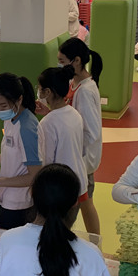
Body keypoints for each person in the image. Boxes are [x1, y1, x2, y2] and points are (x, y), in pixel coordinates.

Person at [0, 74, 41, 229]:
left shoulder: (26, 129)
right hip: (6, 199)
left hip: (20, 205)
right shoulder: (11, 118)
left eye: (3, 106)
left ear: (19, 100)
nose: (0, 111)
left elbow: (34, 175)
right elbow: (15, 154)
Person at [56, 38, 103, 234]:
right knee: (85, 202)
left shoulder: (85, 91)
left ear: (76, 61)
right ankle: (94, 242)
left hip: (81, 159)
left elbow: (91, 131)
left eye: (62, 61)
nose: (59, 65)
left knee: (82, 202)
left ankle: (94, 243)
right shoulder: (73, 83)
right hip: (76, 156)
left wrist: (74, 151)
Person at [36, 66, 88, 205]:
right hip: (79, 180)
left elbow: (47, 162)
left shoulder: (47, 123)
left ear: (48, 92)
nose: (38, 93)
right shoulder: (74, 114)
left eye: (40, 89)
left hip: (61, 187)